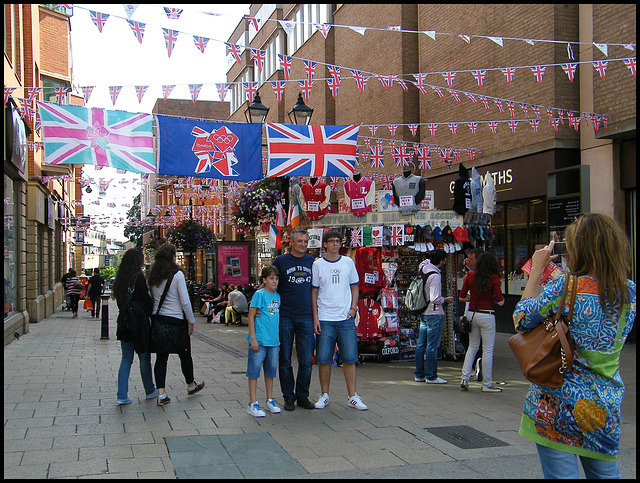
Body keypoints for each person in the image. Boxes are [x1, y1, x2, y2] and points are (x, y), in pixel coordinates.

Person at [512, 213, 636, 479]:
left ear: (580, 249)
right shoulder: (630, 294)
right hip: (604, 405)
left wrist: (536, 271)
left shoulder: (565, 287)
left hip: (556, 403)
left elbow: (521, 319)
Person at [312, 229, 367, 410]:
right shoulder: (318, 264)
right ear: (325, 244)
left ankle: (352, 396)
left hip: (345, 318)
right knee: (324, 358)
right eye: (332, 241)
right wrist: (315, 317)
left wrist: (353, 308)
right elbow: (314, 292)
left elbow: (354, 287)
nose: (335, 244)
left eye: (338, 241)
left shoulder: (348, 262)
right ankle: (324, 394)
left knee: (350, 358)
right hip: (325, 317)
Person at [148, 243, 204, 406]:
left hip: (159, 321)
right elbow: (185, 302)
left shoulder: (153, 276)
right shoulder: (177, 275)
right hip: (176, 321)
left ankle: (161, 394)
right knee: (185, 354)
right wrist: (191, 321)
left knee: (161, 358)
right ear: (172, 257)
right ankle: (190, 384)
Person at [273, 227, 316, 411]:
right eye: (300, 241)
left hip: (306, 315)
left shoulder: (311, 261)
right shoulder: (281, 261)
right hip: (286, 315)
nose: (303, 245)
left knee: (306, 359)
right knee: (285, 359)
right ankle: (288, 396)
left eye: (306, 241)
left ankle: (302, 395)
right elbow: (271, 284)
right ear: (291, 242)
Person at [111, 248, 157, 405]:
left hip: (125, 324)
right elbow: (146, 301)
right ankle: (150, 389)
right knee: (144, 357)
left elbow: (120, 303)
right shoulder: (138, 278)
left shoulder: (120, 279)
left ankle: (121, 394)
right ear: (138, 261)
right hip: (139, 325)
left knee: (126, 359)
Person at [458, 251, 505, 392]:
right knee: (487, 350)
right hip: (487, 314)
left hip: (472, 313)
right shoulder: (494, 278)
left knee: (472, 346)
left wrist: (471, 299)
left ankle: (464, 377)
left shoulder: (470, 276)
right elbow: (501, 301)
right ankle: (487, 384)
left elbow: (461, 297)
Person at [414, 249, 454, 384]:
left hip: (423, 312)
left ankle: (419, 374)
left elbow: (424, 261)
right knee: (432, 346)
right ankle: (431, 376)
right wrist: (446, 300)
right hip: (434, 313)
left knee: (421, 345)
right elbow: (435, 298)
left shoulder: (424, 267)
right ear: (442, 261)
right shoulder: (435, 276)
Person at [246, 266, 282, 417]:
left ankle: (269, 399)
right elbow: (251, 316)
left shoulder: (278, 296)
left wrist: (278, 341)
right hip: (260, 340)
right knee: (254, 372)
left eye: (276, 278)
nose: (274, 281)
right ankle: (253, 403)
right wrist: (253, 338)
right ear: (264, 280)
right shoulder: (259, 295)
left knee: (270, 372)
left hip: (273, 341)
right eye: (271, 278)